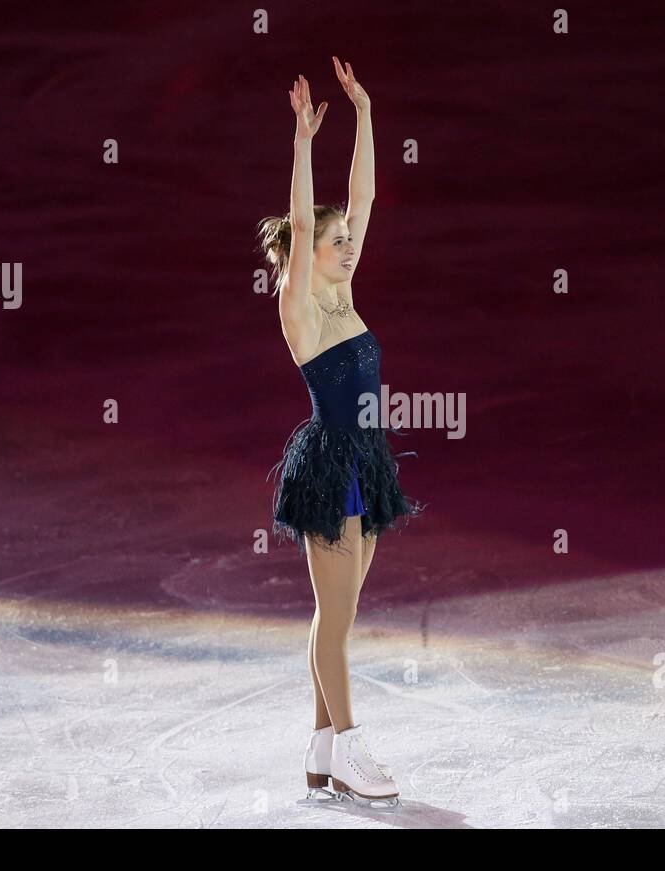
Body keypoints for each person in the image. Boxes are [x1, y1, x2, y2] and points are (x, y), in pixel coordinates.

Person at [258, 59, 423, 806]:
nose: (349, 244)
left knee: (341, 612)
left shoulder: (344, 292)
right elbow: (303, 220)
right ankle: (351, 751)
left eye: (350, 240)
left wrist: (363, 109)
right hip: (330, 466)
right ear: (306, 255)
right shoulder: (302, 308)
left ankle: (322, 750)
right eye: (335, 242)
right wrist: (301, 140)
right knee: (336, 615)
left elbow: (363, 194)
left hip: (369, 459)